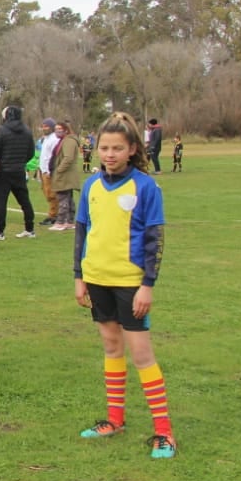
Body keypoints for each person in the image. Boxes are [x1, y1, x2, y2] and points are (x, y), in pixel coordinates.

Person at [73, 112, 174, 459]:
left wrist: (147, 284)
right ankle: (115, 420)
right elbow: (82, 232)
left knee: (141, 354)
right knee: (111, 347)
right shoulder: (91, 186)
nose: (110, 154)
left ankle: (164, 432)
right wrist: (79, 277)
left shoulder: (145, 187)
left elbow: (155, 238)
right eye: (104, 147)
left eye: (117, 148)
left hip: (130, 283)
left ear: (132, 149)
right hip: (96, 278)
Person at [0, 105, 37, 240]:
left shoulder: (2, 131)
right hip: (19, 170)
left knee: (1, 202)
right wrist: (21, 161)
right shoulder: (27, 131)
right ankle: (30, 228)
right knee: (24, 200)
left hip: (4, 171)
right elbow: (31, 152)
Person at [49, 119, 82, 232]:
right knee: (68, 198)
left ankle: (61, 221)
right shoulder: (64, 140)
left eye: (60, 129)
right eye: (56, 129)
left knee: (63, 198)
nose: (57, 131)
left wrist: (59, 170)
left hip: (65, 175)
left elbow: (68, 158)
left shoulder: (68, 141)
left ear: (66, 130)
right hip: (65, 174)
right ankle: (69, 221)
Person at [37, 118, 60, 226]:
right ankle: (53, 214)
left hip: (49, 171)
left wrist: (49, 170)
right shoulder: (45, 139)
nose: (44, 128)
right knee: (47, 193)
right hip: (43, 170)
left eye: (47, 126)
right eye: (43, 126)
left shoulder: (54, 139)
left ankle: (54, 215)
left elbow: (53, 156)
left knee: (52, 194)